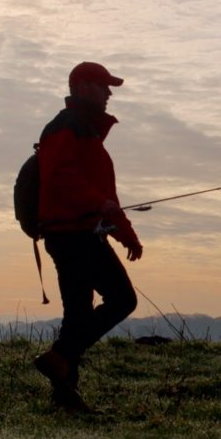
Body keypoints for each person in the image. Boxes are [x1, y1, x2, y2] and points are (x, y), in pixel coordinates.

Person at [33, 62, 143, 413]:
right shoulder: (68, 127)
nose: (109, 93)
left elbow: (102, 195)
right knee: (123, 299)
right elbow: (60, 179)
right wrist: (103, 207)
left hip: (74, 232)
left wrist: (125, 233)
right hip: (72, 235)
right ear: (81, 86)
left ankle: (65, 397)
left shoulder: (86, 131)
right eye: (102, 86)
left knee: (78, 314)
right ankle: (61, 357)